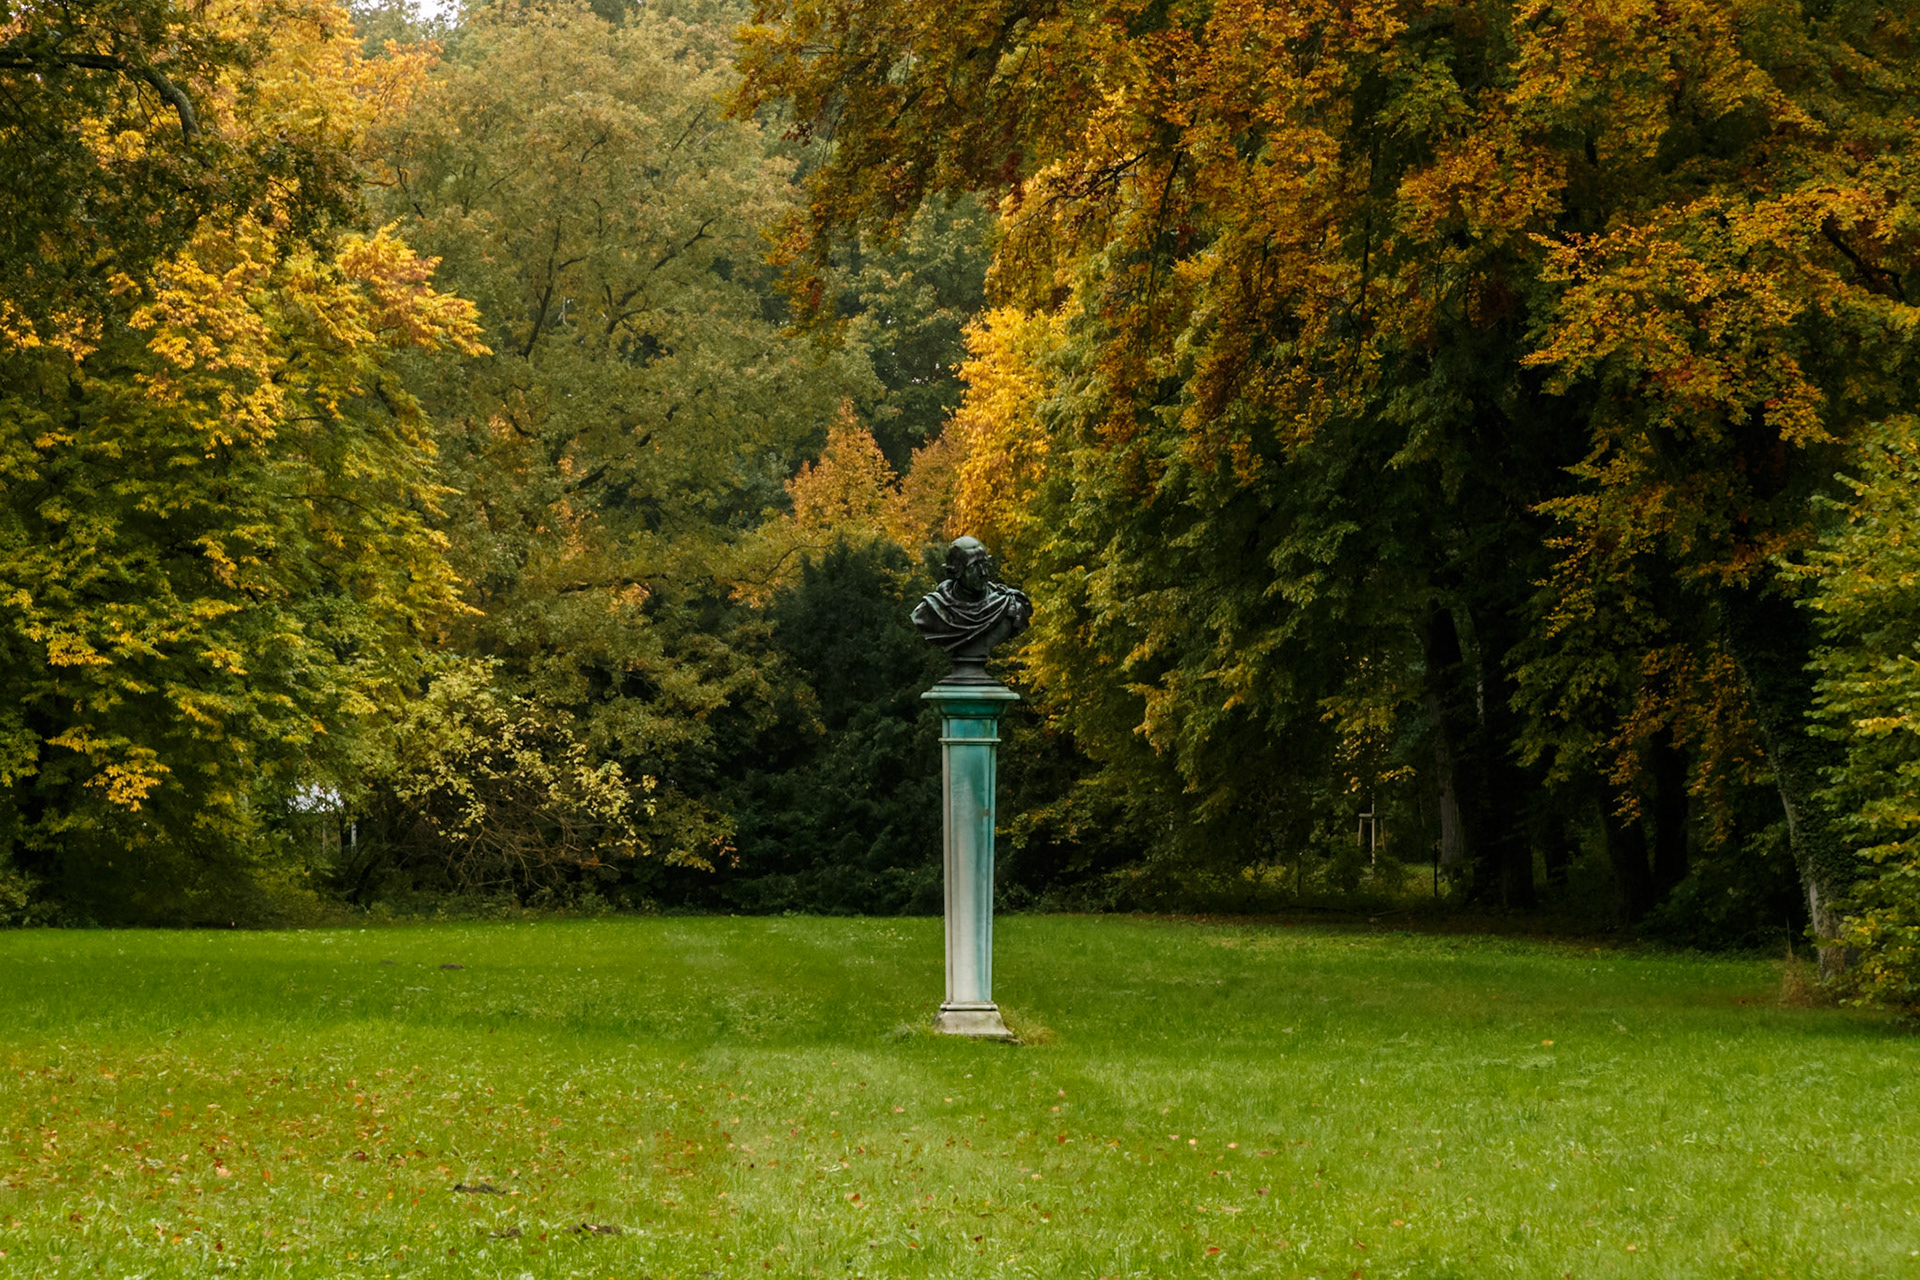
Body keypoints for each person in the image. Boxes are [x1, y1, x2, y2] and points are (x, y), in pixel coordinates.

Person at [911, 536, 1033, 682]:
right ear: (956, 571)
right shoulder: (930, 611)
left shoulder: (1010, 606)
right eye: (974, 567)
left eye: (985, 565)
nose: (983, 573)